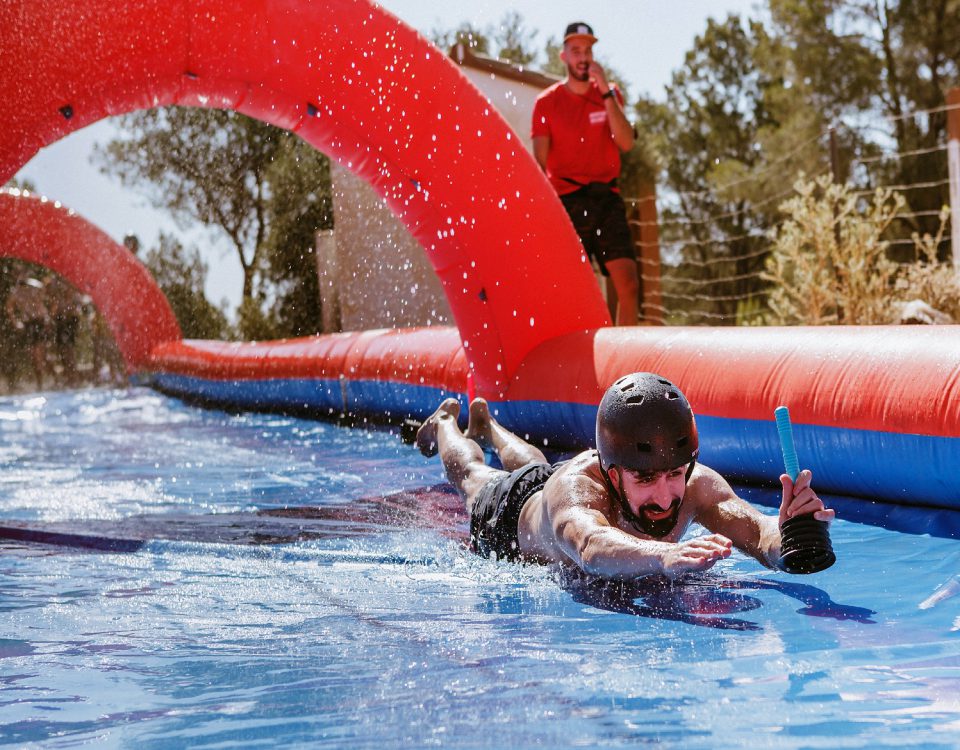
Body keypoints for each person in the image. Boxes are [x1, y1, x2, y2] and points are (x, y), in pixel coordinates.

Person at [414, 372, 835, 579]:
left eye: (674, 473)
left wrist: (792, 535)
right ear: (611, 474)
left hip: (550, 480)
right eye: (645, 479)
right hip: (510, 514)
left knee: (533, 464)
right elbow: (591, 546)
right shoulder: (574, 490)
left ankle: (489, 428)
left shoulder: (695, 483)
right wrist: (662, 555)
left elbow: (759, 533)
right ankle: (446, 423)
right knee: (473, 475)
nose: (667, 495)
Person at [531, 22, 640, 326]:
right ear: (563, 56)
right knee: (576, 292)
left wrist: (605, 91)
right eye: (576, 50)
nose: (583, 57)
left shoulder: (610, 94)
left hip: (607, 196)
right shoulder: (546, 103)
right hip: (567, 201)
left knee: (629, 284)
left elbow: (627, 142)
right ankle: (582, 364)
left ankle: (625, 364)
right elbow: (539, 162)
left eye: (588, 50)